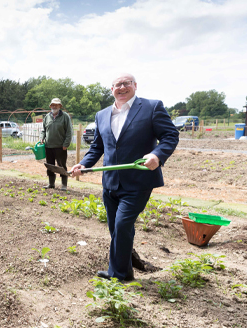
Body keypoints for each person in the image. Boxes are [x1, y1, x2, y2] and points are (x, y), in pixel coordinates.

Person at [70, 73, 179, 281]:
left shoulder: (151, 107)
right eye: (116, 84)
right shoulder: (102, 115)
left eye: (126, 83)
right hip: (110, 182)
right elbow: (98, 147)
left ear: (135, 86)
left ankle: (119, 276)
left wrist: (158, 155)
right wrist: (84, 164)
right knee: (117, 229)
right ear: (111, 89)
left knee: (121, 226)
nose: (121, 87)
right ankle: (125, 268)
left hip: (138, 182)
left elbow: (170, 135)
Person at [40, 98, 73, 191]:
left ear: (60, 106)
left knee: (61, 166)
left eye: (56, 105)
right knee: (49, 165)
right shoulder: (47, 117)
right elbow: (43, 130)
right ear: (50, 106)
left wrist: (66, 144)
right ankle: (51, 184)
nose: (54, 106)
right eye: (52, 105)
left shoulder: (65, 116)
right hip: (48, 146)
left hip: (60, 147)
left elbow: (69, 131)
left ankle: (64, 185)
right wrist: (41, 137)